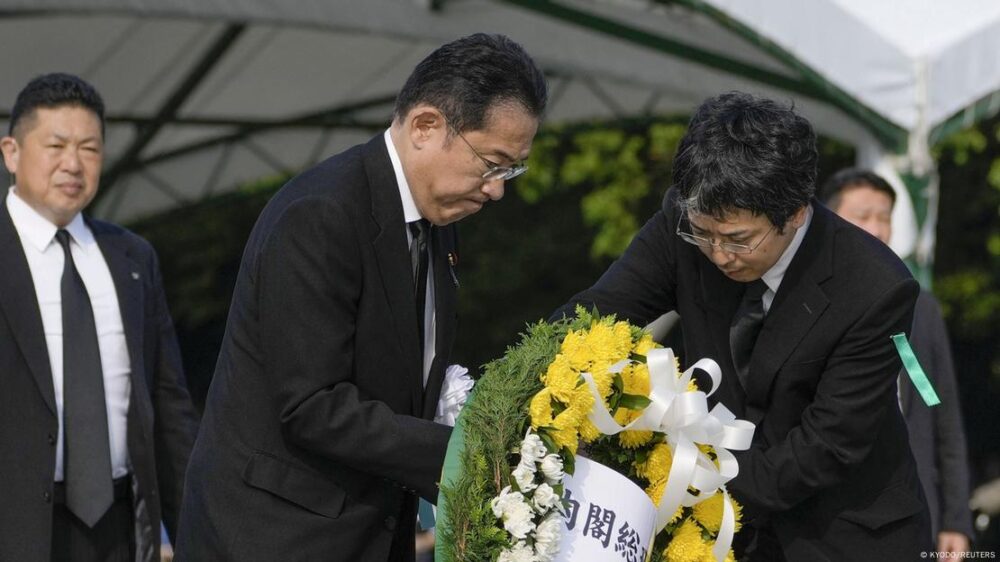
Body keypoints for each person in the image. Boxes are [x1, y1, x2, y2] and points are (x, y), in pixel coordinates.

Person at [174, 33, 547, 562]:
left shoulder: (438, 224)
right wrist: (468, 456)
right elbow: (313, 405)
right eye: (491, 163)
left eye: (511, 169)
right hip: (274, 536)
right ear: (425, 127)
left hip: (369, 530)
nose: (496, 189)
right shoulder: (321, 213)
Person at [554, 92, 931, 560]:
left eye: (738, 240)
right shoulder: (683, 221)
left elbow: (826, 446)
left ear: (795, 213)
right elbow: (595, 312)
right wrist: (535, 383)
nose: (717, 254)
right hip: (717, 527)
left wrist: (680, 485)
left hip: (842, 530)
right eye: (703, 233)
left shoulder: (876, 287)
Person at [0, 73, 198, 562]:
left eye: (89, 148)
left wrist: (196, 527)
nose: (73, 163)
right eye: (56, 145)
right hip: (17, 526)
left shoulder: (131, 257)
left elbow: (167, 403)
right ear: (11, 152)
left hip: (120, 523)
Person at [820, 168, 973, 555]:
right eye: (863, 215)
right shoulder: (811, 304)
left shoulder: (919, 306)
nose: (877, 228)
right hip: (831, 518)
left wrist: (956, 518)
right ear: (831, 221)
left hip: (915, 510)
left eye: (885, 217)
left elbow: (941, 413)